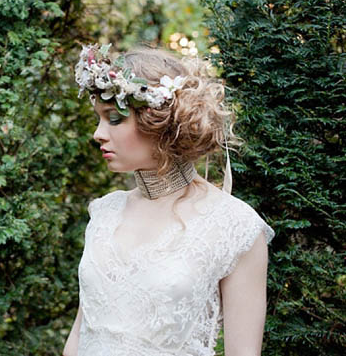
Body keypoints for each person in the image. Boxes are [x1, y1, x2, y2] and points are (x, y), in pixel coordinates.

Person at [63, 44, 275, 356]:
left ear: (157, 121)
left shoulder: (235, 227)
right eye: (98, 119)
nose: (98, 133)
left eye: (113, 118)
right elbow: (77, 341)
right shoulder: (105, 212)